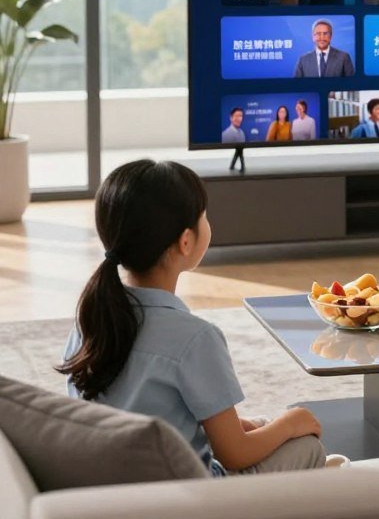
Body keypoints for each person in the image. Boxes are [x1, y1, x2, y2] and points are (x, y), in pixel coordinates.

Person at [57, 160, 327, 475]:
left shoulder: (90, 319)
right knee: (306, 444)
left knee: (262, 425)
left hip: (116, 481)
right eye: (203, 215)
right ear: (185, 241)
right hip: (188, 490)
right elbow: (235, 454)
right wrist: (292, 423)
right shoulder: (196, 338)